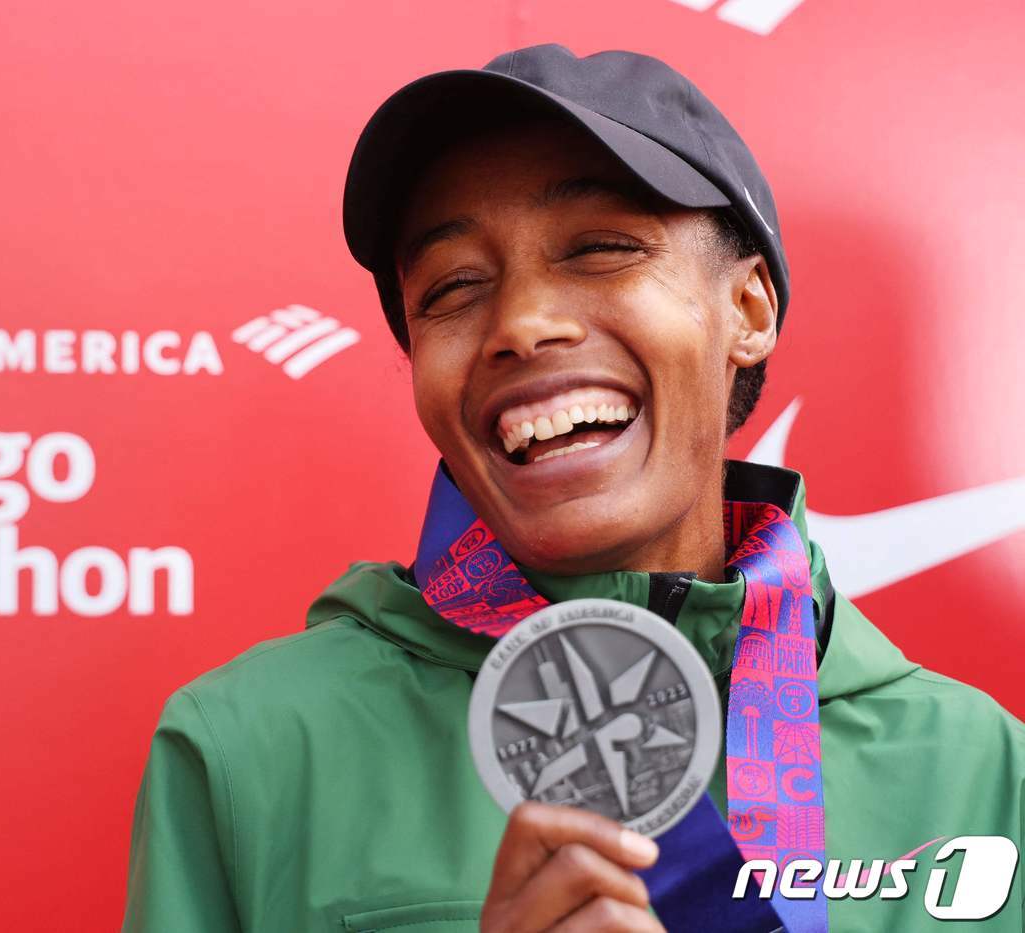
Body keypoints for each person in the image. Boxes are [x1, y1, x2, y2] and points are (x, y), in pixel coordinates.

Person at [122, 44, 1025, 932]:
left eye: (599, 248)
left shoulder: (980, 768)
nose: (520, 323)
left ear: (747, 310)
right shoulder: (252, 747)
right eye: (453, 287)